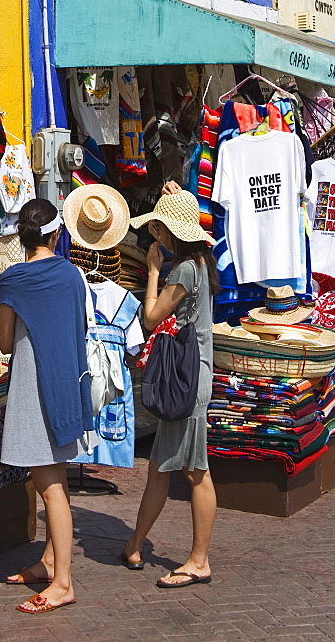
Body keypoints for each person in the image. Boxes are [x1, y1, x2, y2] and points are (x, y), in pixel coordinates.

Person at [0, 198, 94, 615]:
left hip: (35, 389)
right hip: (67, 387)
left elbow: (3, 343)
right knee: (58, 483)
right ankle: (51, 562)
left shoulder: (14, 280)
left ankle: (63, 583)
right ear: (57, 234)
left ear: (22, 237)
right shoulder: (73, 275)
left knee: (49, 487)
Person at [122, 182, 220, 588]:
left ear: (171, 232)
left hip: (188, 380)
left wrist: (151, 271)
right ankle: (135, 543)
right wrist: (176, 196)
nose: (153, 234)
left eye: (158, 228)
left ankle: (199, 560)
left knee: (196, 471)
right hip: (191, 376)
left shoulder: (181, 269)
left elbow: (150, 317)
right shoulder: (200, 263)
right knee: (161, 468)